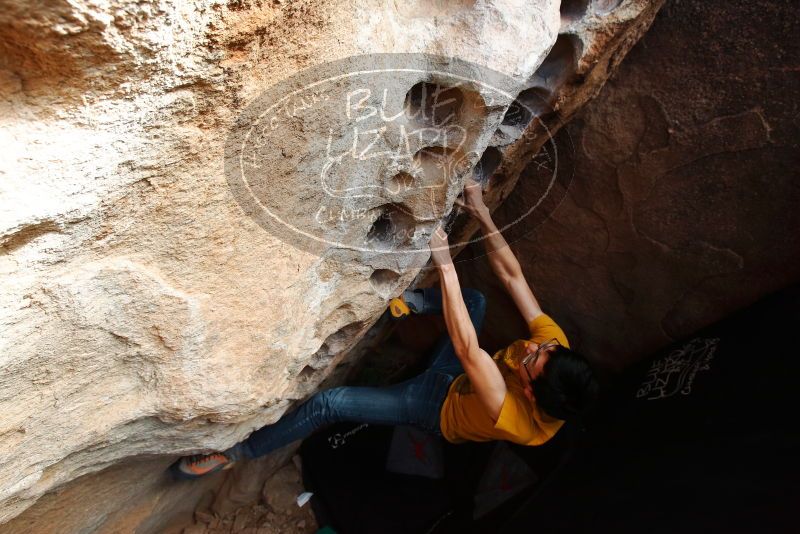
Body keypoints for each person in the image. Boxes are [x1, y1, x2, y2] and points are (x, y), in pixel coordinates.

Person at [171, 178, 598, 479]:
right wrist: (482, 213)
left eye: (533, 361)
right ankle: (410, 303)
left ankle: (235, 452)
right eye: (542, 350)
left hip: (438, 408)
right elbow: (513, 278)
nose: (534, 349)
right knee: (478, 301)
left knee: (330, 404)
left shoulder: (518, 421)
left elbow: (471, 351)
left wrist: (444, 261)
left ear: (528, 392)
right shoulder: (554, 352)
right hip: (462, 373)